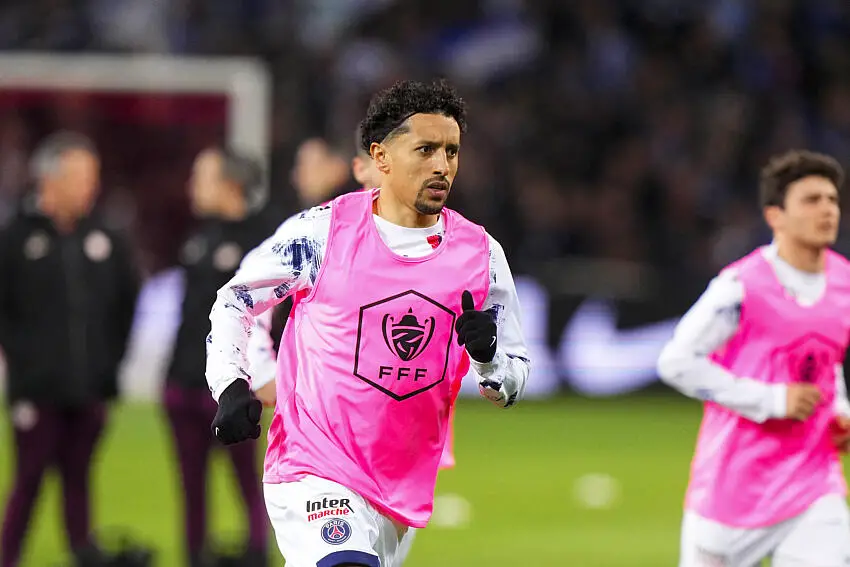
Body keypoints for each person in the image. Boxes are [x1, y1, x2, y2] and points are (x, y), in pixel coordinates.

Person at [205, 79, 530, 567]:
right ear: (381, 157)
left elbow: (513, 377)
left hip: (401, 483)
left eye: (451, 151)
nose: (442, 165)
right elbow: (235, 300)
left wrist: (488, 359)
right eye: (425, 150)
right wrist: (231, 383)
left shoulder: (480, 255)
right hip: (315, 467)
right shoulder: (321, 233)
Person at [657, 149, 850, 567]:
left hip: (813, 484)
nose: (827, 210)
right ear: (775, 216)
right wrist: (771, 400)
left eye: (832, 200)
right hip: (731, 491)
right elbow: (676, 361)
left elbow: (828, 361)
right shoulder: (739, 286)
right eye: (811, 200)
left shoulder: (845, 283)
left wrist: (840, 411)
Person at [0, 132, 141, 567]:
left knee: (79, 479)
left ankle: (83, 556)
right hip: (36, 389)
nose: (90, 187)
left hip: (90, 387)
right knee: (29, 479)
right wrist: (24, 362)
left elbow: (126, 304)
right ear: (50, 179)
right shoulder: (16, 238)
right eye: (81, 177)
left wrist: (108, 363)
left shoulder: (106, 239)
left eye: (92, 177)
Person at [165, 147, 273, 567]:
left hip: (234, 388)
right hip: (184, 384)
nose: (192, 187)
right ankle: (194, 559)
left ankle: (258, 554)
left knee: (250, 481)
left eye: (202, 177)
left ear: (230, 184)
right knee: (191, 487)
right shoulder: (197, 239)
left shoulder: (265, 243)